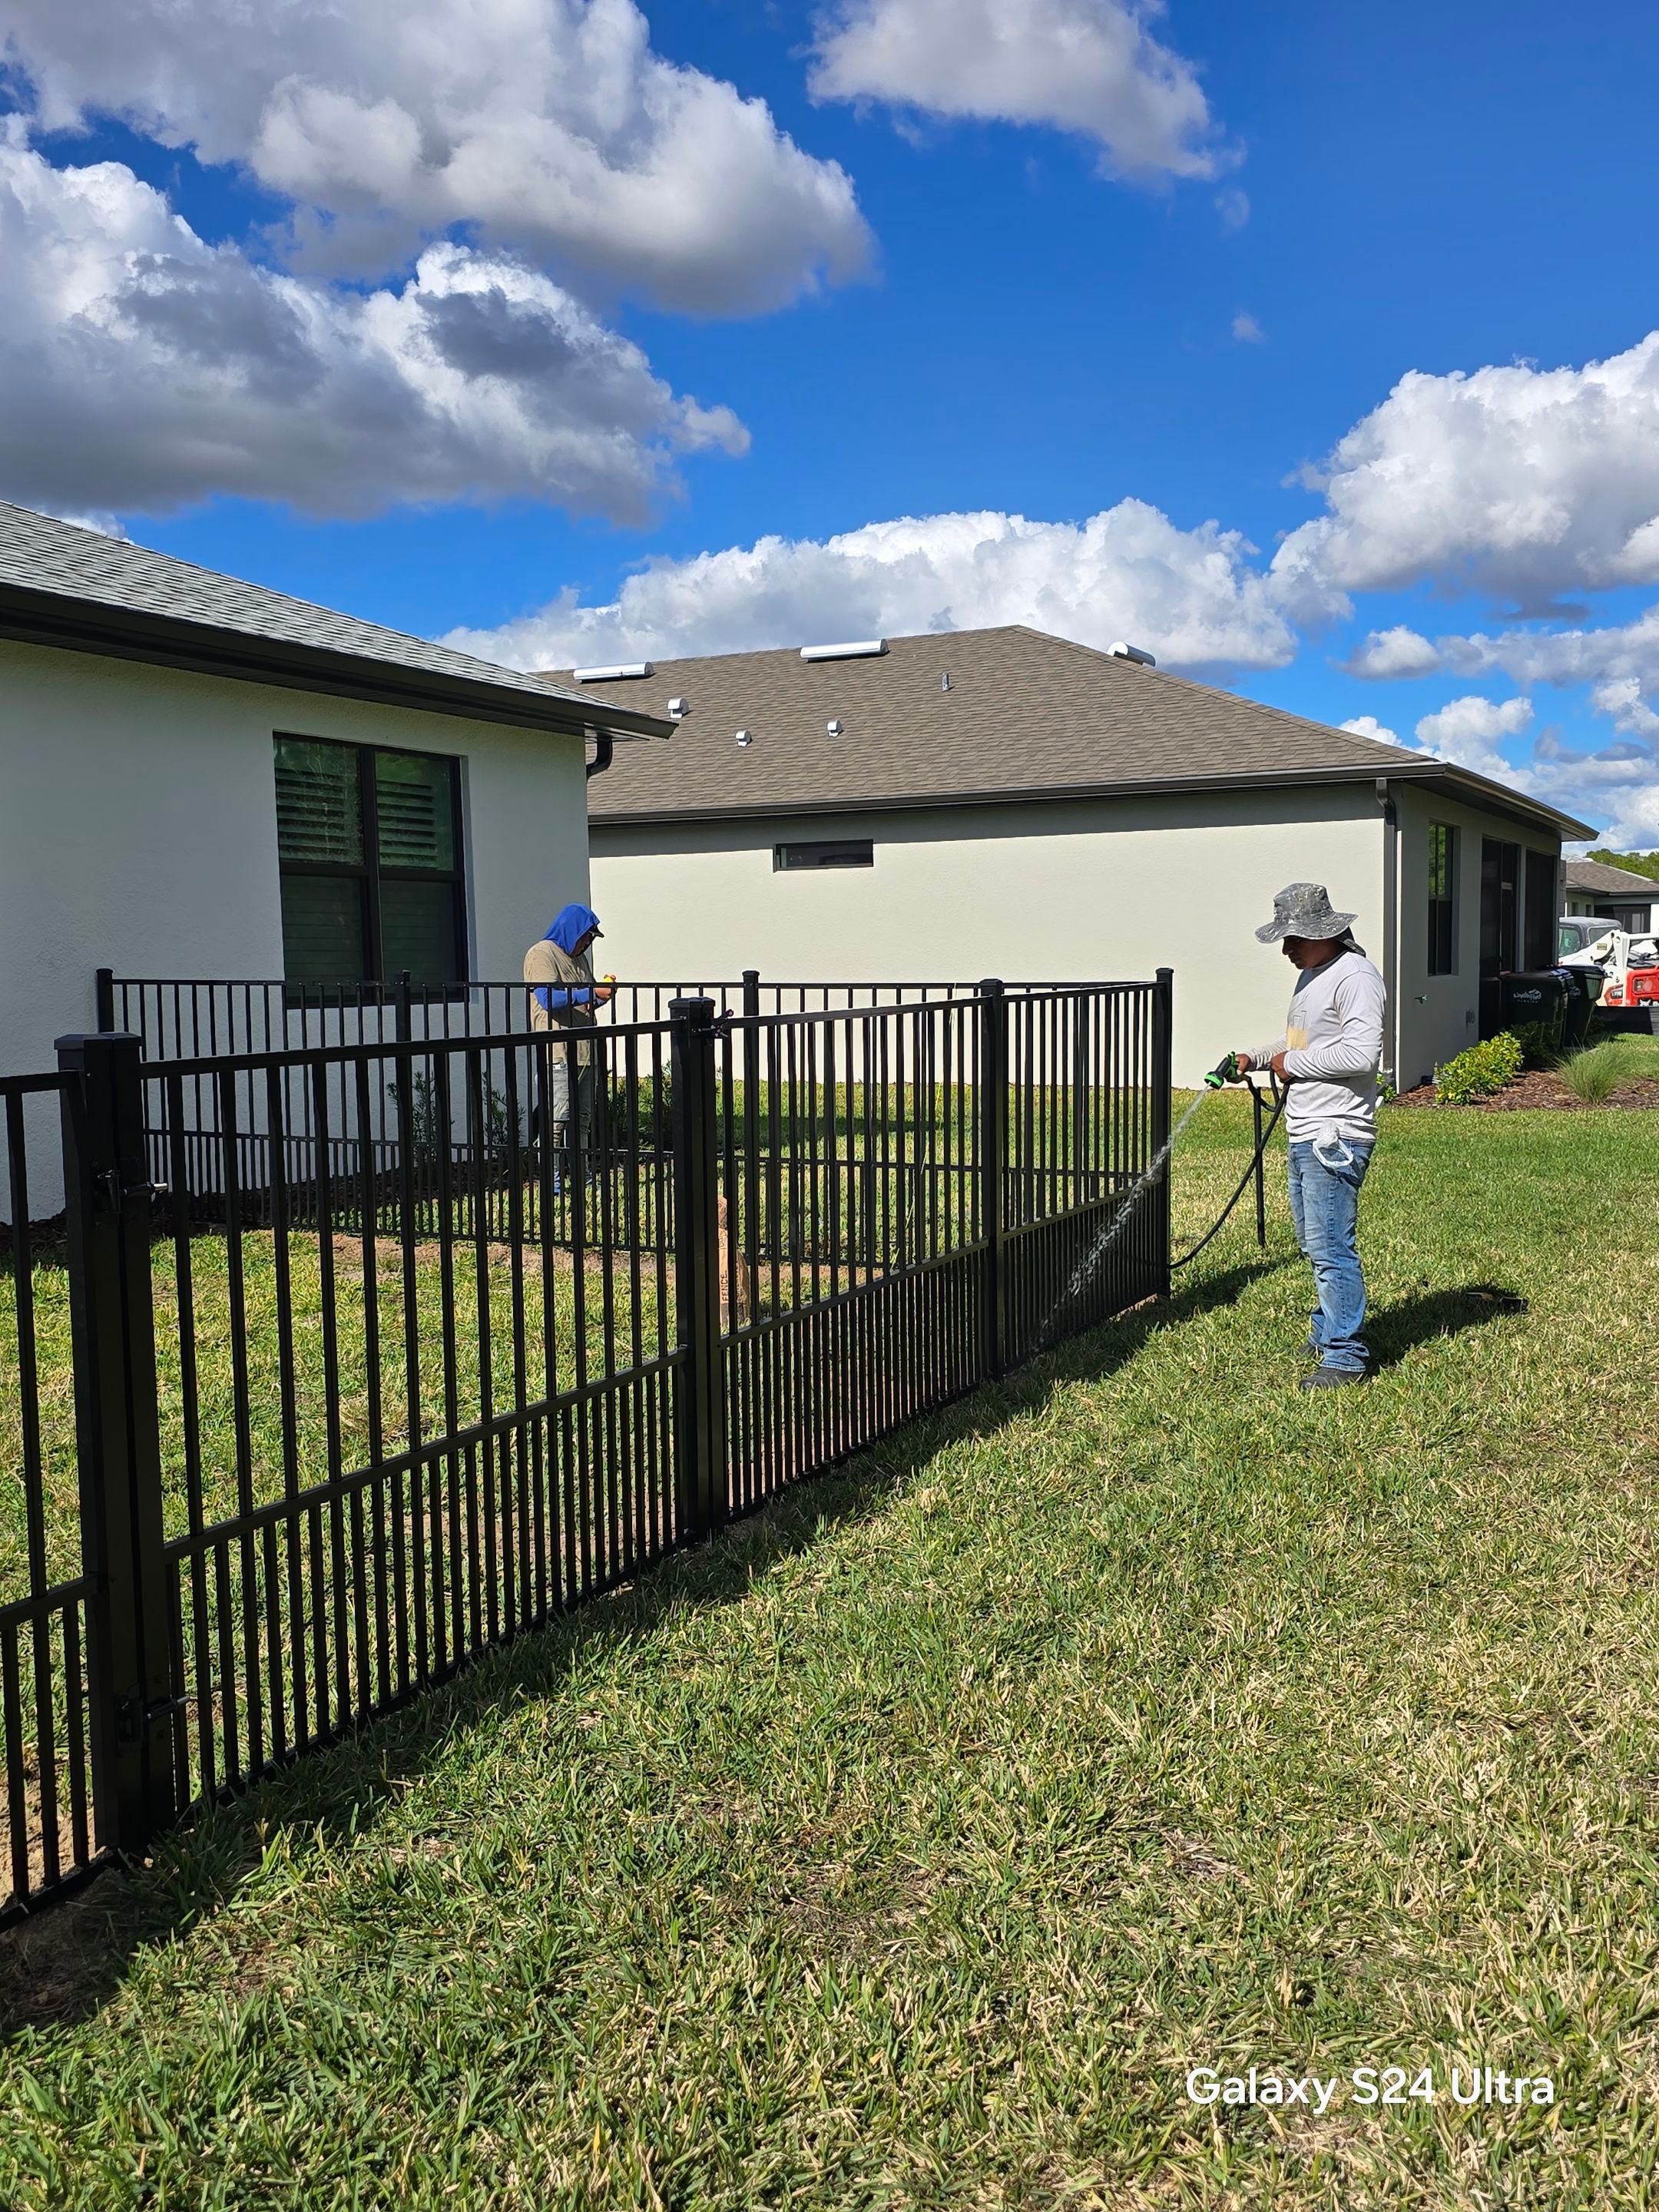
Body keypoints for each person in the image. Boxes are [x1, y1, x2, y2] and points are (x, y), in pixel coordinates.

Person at [1231, 882, 1387, 1389]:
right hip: (1305, 1129)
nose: (1286, 949)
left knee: (1332, 1248)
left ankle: (1345, 1357)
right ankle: (1328, 1331)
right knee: (1314, 1242)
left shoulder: (1356, 977)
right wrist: (1255, 1058)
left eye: (1293, 937)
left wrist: (1292, 1064)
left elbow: (1362, 1054)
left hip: (1336, 1133)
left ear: (1323, 932)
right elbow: (1298, 1042)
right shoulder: (1312, 977)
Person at [523, 903, 612, 1188]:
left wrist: (600, 997)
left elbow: (584, 1000)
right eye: (585, 936)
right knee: (556, 1120)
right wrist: (589, 992)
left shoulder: (580, 959)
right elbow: (549, 999)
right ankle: (553, 1183)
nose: (587, 943)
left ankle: (584, 1179)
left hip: (586, 1051)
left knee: (582, 1121)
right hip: (558, 1051)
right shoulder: (541, 954)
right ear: (571, 930)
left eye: (591, 939)